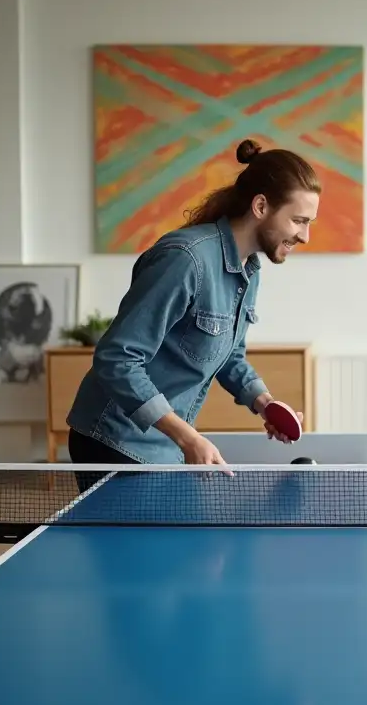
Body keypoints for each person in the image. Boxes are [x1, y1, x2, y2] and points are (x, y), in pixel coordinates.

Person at [66, 139, 319, 469]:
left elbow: (230, 354)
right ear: (260, 207)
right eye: (299, 220)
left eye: (309, 223)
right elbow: (118, 357)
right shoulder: (185, 260)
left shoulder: (249, 269)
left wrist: (264, 403)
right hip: (113, 440)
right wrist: (188, 437)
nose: (305, 236)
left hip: (163, 443)